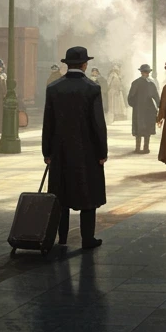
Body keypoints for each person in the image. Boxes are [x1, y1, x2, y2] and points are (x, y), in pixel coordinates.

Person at [42, 46, 107, 249]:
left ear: (67, 64)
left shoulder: (54, 88)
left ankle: (61, 238)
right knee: (88, 196)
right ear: (85, 64)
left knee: (61, 197)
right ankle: (87, 239)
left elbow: (48, 124)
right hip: (86, 152)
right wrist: (102, 152)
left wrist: (47, 152)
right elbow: (98, 124)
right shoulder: (92, 88)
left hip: (60, 152)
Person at [128, 64, 159, 153]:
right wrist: (135, 105)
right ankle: (137, 148)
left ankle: (146, 147)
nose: (147, 73)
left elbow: (156, 96)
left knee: (147, 129)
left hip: (148, 109)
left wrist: (159, 106)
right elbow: (130, 97)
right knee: (138, 128)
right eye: (145, 72)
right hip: (139, 109)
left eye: (148, 72)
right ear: (141, 72)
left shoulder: (151, 84)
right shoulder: (136, 83)